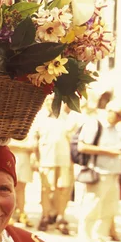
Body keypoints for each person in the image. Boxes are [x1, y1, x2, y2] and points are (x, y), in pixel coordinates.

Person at [77, 98, 121, 242]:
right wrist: (109, 151)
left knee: (108, 211)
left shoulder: (118, 129)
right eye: (119, 115)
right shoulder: (95, 124)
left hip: (113, 174)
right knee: (91, 210)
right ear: (109, 110)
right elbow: (82, 146)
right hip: (98, 173)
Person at [30, 98, 75, 234]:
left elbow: (72, 140)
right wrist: (34, 156)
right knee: (46, 188)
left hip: (64, 160)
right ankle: (45, 216)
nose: (52, 103)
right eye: (49, 101)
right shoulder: (39, 119)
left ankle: (60, 217)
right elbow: (34, 139)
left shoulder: (67, 119)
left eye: (55, 101)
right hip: (46, 158)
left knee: (62, 189)